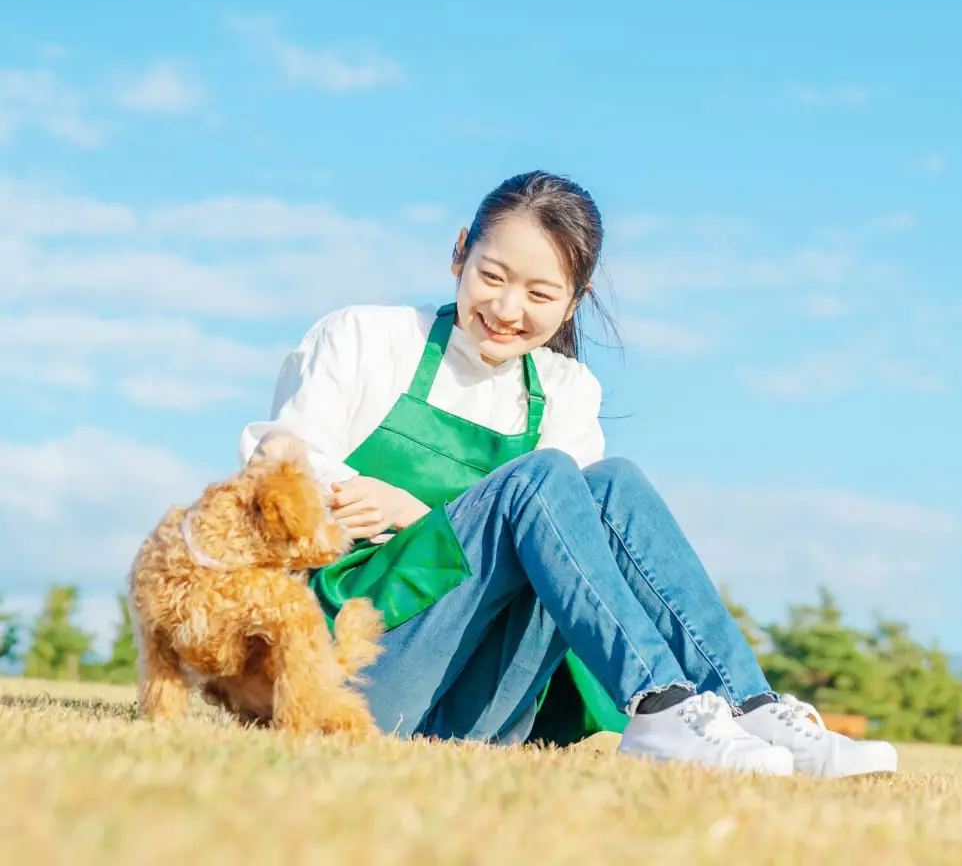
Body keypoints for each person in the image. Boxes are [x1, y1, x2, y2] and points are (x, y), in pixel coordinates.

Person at [238, 171, 898, 778]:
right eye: (492, 276)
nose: (507, 308)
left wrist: (415, 512)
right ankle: (658, 706)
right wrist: (379, 505)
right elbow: (279, 469)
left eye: (539, 293)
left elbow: (583, 564)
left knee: (613, 484)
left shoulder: (566, 391)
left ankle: (749, 705)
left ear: (575, 301)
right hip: (346, 672)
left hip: (475, 705)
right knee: (546, 478)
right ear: (459, 253)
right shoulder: (365, 338)